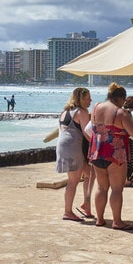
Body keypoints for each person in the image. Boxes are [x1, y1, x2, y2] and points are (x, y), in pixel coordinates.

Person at [89, 83, 133, 229]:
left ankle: (99, 219)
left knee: (101, 188)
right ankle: (117, 221)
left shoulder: (95, 108)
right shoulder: (120, 113)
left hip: (97, 151)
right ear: (121, 98)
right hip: (115, 154)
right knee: (117, 189)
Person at [55, 87, 92, 222]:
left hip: (64, 147)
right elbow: (87, 132)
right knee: (73, 181)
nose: (90, 100)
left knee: (90, 173)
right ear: (81, 99)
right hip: (72, 148)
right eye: (88, 98)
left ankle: (86, 205)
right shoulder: (81, 112)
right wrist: (98, 143)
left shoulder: (65, 112)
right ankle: (68, 212)